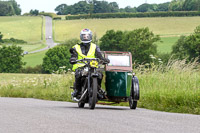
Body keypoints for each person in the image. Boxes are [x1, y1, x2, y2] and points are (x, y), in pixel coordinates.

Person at [69, 29, 109, 97]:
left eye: (87, 36)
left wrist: (104, 59)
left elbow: (99, 55)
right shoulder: (76, 47)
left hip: (92, 67)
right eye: (84, 36)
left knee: (99, 75)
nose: (85, 37)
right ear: (81, 37)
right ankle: (77, 90)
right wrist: (73, 59)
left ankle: (97, 90)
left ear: (90, 36)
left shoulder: (95, 46)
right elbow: (73, 56)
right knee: (79, 74)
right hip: (80, 67)